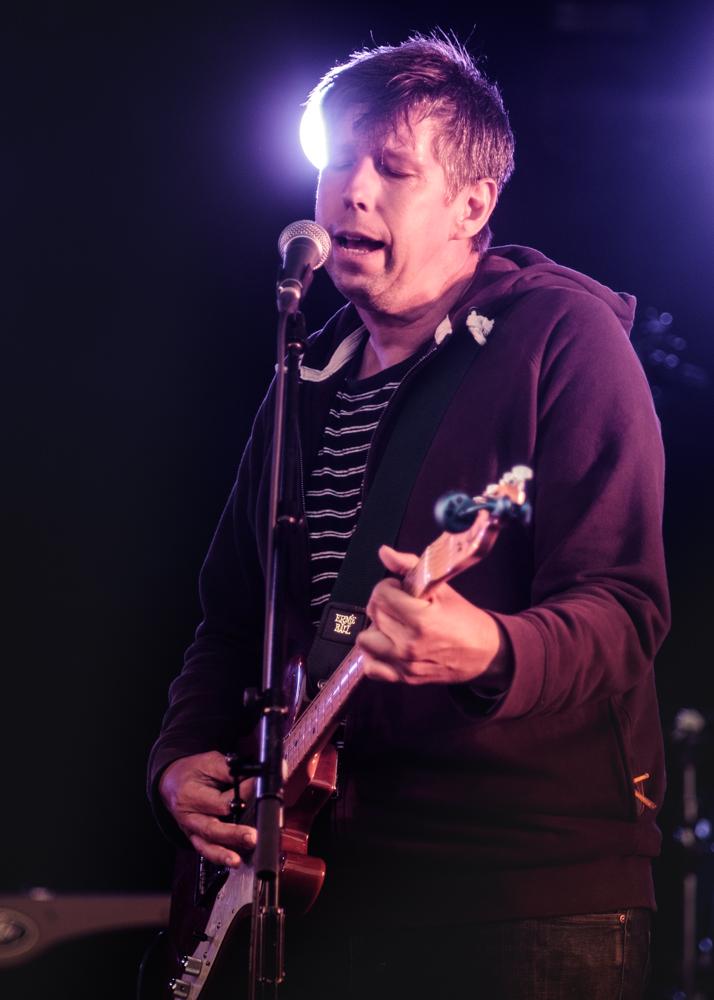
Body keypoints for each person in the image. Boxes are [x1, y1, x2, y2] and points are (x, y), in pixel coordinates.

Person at [149, 34, 669, 999]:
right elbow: (231, 617)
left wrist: (492, 649)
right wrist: (178, 758)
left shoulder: (564, 339)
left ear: (473, 205)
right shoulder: (304, 376)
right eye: (336, 162)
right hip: (327, 890)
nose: (350, 191)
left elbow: (625, 610)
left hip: (526, 897)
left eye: (392, 168)